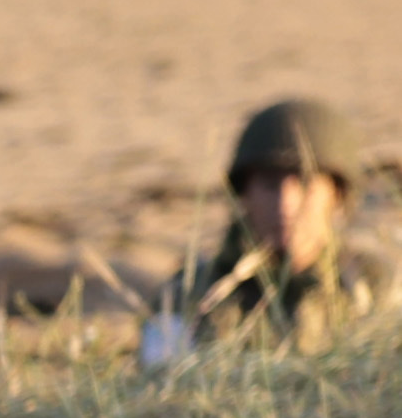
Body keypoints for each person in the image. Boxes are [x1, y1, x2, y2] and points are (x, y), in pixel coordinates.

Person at [156, 95, 368, 353]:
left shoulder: (375, 286)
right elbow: (162, 381)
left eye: (305, 184)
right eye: (269, 185)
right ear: (244, 195)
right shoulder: (189, 295)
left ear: (336, 195)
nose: (286, 205)